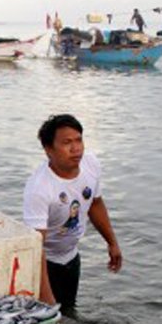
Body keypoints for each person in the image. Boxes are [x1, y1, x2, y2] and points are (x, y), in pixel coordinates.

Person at [23, 114, 123, 312]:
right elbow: (36, 247)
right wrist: (46, 295)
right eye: (67, 142)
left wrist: (112, 242)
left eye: (79, 140)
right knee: (46, 314)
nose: (76, 148)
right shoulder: (39, 189)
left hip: (71, 257)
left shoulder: (91, 164)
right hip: (46, 262)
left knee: (69, 310)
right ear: (48, 149)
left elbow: (95, 203)